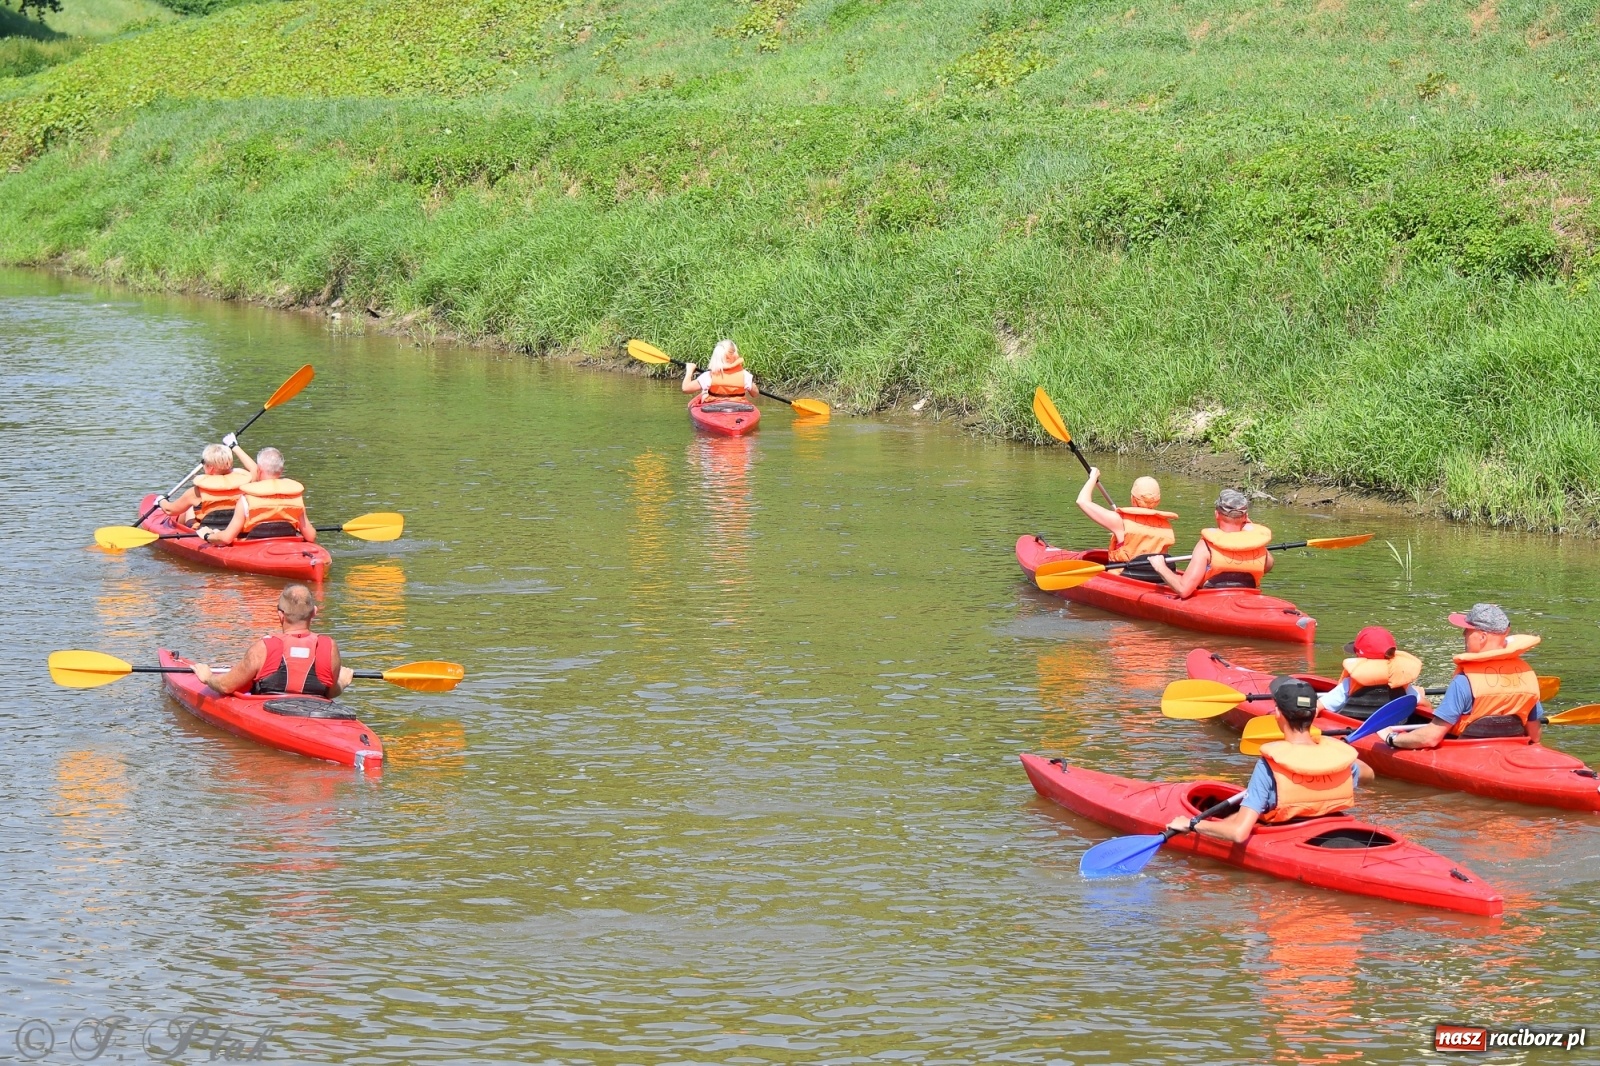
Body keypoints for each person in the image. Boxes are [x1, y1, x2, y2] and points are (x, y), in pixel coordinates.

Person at [1168, 678, 1374, 843]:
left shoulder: (1269, 765)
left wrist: (1192, 825)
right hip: (1337, 832)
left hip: (1288, 837)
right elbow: (1369, 775)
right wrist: (1328, 745)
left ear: (1277, 713)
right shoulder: (1337, 757)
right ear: (1313, 715)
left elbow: (1239, 833)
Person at [1377, 604, 1544, 750]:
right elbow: (1535, 737)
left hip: (1468, 753)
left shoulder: (1465, 681)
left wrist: (1392, 739)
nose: (1463, 634)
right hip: (1510, 750)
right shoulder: (1526, 675)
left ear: (1483, 637)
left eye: (1468, 630)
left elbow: (1431, 738)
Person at [192, 584, 352, 698]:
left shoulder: (264, 647)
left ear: (280, 615)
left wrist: (208, 677)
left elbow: (225, 686)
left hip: (267, 714)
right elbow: (330, 693)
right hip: (316, 715)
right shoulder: (329, 646)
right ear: (314, 613)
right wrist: (342, 682)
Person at [1149, 488, 1274, 599]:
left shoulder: (1206, 546)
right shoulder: (1256, 544)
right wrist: (1252, 533)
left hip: (1213, 600)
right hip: (1248, 598)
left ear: (1216, 514)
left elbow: (1184, 590)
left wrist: (1160, 566)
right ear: (1246, 516)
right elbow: (1268, 566)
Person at [201, 446, 316, 546]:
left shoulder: (246, 499)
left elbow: (226, 538)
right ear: (281, 471)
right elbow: (310, 536)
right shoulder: (295, 496)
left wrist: (208, 535)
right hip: (286, 545)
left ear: (259, 470)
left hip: (253, 546)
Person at [1319, 625, 1431, 720]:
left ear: (1359, 656)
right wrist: (1421, 696)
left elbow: (1319, 706)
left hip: (1354, 729)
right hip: (1392, 729)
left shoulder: (1349, 684)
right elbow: (1425, 705)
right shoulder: (1399, 681)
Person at [1076, 468, 1178, 566]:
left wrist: (1093, 478)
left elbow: (1082, 501)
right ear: (1158, 501)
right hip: (1153, 577)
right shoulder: (1165, 525)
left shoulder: (1120, 522)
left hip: (1126, 575)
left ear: (1133, 499)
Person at [156, 439, 251, 530]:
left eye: (204, 463)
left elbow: (170, 510)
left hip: (207, 531)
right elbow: (254, 469)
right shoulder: (246, 485)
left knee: (189, 509)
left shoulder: (196, 492)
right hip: (234, 529)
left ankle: (176, 529)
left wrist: (161, 501)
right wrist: (234, 446)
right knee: (192, 508)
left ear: (210, 468)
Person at [681, 340, 759, 402]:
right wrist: (751, 384)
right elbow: (755, 394)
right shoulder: (745, 375)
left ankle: (705, 393)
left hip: (714, 409)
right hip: (738, 409)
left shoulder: (709, 376)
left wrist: (689, 371)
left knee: (704, 393)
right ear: (735, 355)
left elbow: (686, 389)